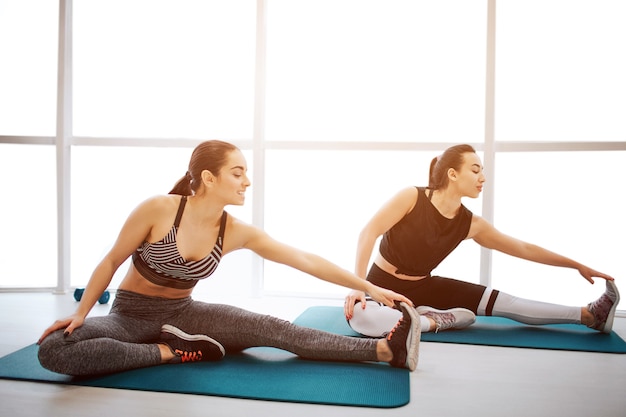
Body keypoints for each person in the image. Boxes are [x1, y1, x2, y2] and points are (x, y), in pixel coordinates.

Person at [37, 140, 421, 376]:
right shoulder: (158, 209)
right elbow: (111, 261)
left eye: (246, 173)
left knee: (277, 329)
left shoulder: (234, 230)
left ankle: (384, 350)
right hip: (129, 316)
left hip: (185, 314)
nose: (247, 182)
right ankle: (173, 351)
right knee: (54, 348)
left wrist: (368, 285)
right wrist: (82, 313)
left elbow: (304, 259)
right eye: (237, 173)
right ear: (208, 178)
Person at [344, 144, 620, 337]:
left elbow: (523, 248)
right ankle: (432, 320)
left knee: (508, 304)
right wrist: (359, 286)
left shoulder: (471, 224)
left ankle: (589, 315)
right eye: (475, 170)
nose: (482, 178)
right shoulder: (412, 197)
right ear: (453, 174)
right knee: (361, 317)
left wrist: (576, 265)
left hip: (426, 288)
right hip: (380, 286)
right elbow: (367, 233)